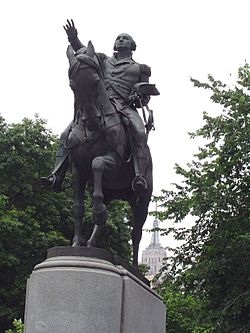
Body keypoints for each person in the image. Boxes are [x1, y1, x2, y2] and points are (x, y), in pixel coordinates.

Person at [40, 19, 155, 192]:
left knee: (139, 132)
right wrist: (73, 39)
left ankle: (139, 175)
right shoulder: (102, 60)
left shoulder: (141, 69)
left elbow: (145, 98)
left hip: (125, 106)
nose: (121, 40)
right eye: (118, 38)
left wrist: (139, 96)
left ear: (132, 46)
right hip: (99, 105)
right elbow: (83, 52)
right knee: (66, 133)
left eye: (125, 38)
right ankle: (57, 174)